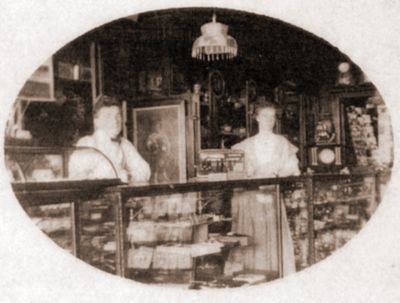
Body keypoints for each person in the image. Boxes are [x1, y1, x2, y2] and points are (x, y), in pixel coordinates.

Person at [229, 97, 300, 276]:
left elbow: (293, 168)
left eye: (273, 117)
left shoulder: (283, 143)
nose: (270, 120)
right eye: (265, 116)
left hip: (272, 198)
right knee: (251, 239)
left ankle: (275, 275)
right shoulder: (243, 146)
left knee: (273, 238)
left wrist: (277, 172)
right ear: (257, 118)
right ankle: (249, 276)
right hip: (249, 201)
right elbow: (235, 172)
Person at [68, 95, 151, 184]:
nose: (115, 121)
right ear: (96, 121)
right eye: (108, 116)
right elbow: (78, 179)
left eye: (118, 116)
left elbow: (145, 170)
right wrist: (115, 176)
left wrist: (129, 176)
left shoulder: (124, 144)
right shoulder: (87, 143)